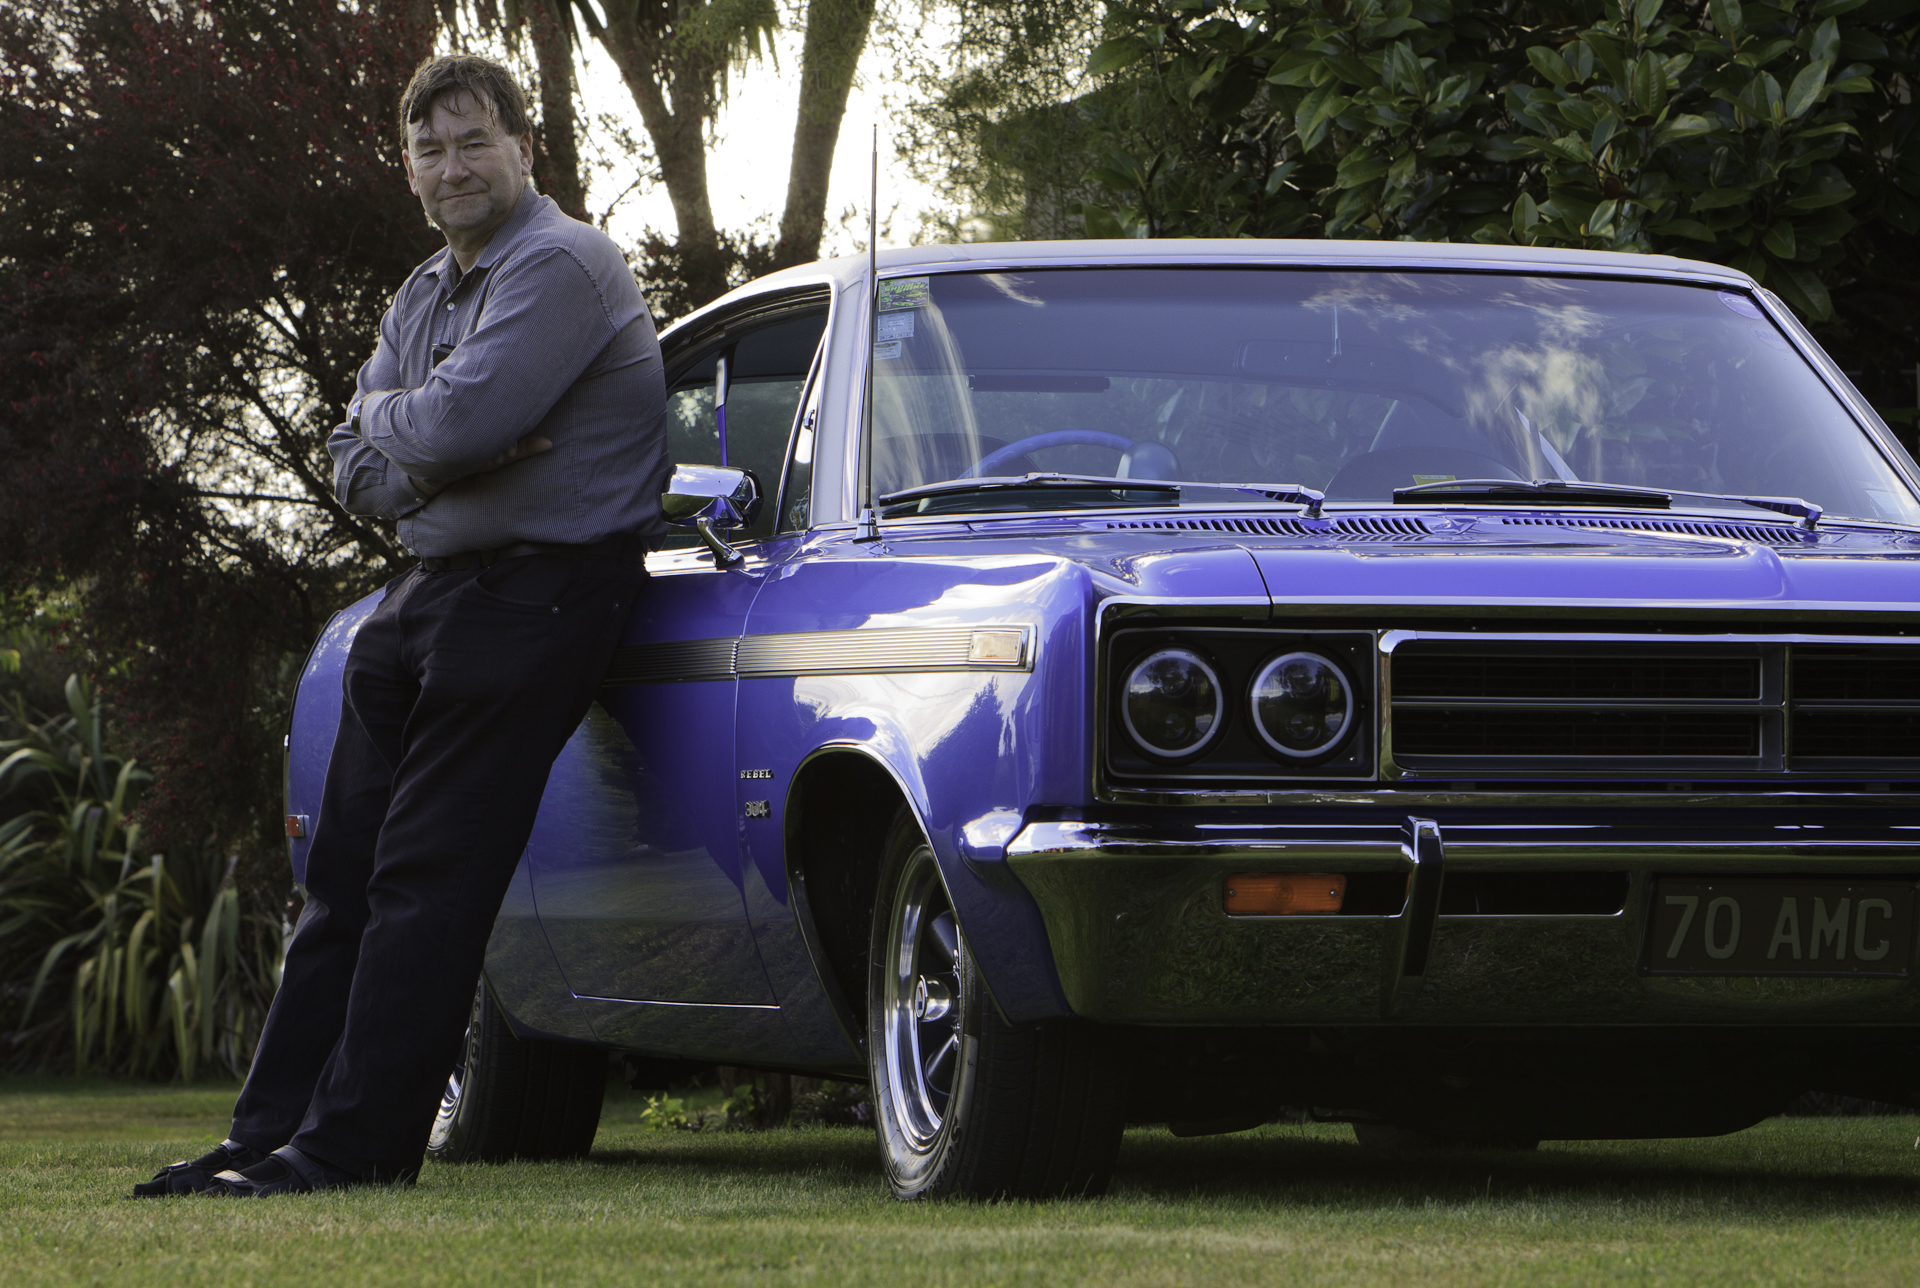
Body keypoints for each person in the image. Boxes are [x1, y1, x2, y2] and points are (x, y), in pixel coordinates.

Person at [133, 54, 666, 1197]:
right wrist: (427, 436)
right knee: (344, 876)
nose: (452, 166)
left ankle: (354, 1147)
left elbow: (455, 421)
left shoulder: (563, 264)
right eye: (430, 149)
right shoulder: (426, 291)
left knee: (427, 874)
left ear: (525, 149)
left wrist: (417, 431)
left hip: (545, 591)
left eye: (475, 142)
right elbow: (356, 466)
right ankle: (268, 1136)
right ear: (409, 170)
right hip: (426, 593)